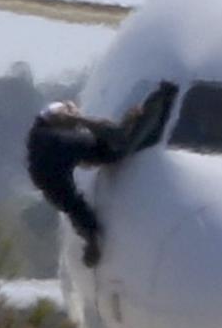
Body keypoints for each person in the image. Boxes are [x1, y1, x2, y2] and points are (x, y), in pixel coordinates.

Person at [26, 81, 178, 267]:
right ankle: (159, 101)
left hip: (47, 153)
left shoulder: (46, 164)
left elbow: (74, 206)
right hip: (55, 146)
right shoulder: (61, 142)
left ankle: (157, 103)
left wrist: (91, 237)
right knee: (117, 147)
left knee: (112, 149)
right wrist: (78, 118)